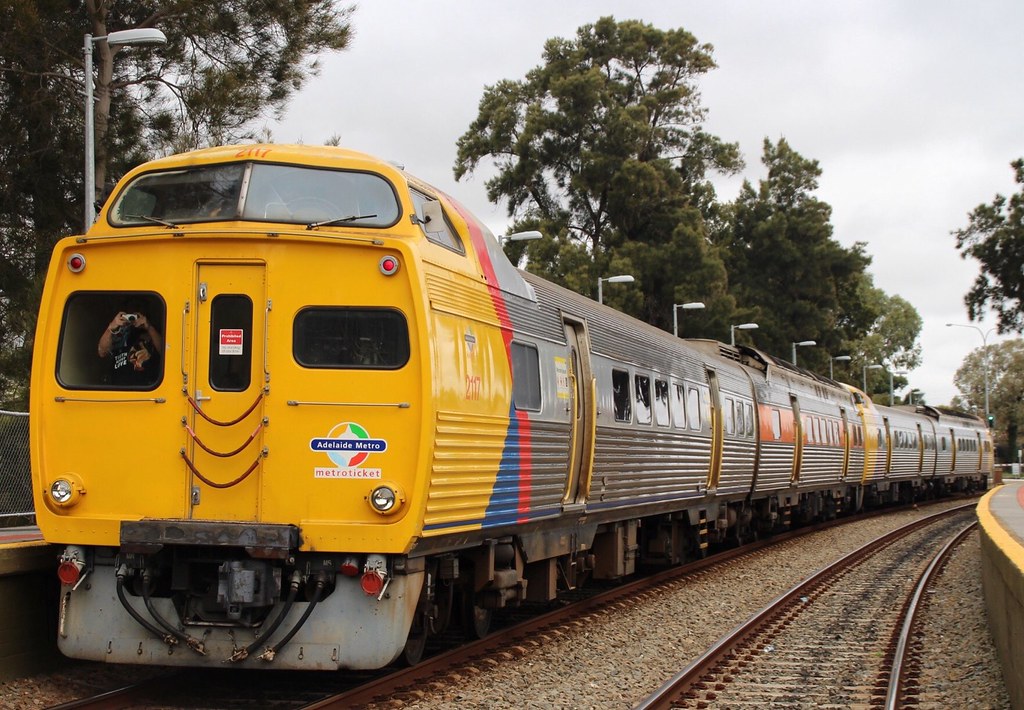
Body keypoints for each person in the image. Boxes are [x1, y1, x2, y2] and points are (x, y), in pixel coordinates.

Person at [98, 309, 163, 385]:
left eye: (136, 315)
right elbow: (102, 352)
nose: (132, 318)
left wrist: (148, 327)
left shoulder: (152, 334)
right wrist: (111, 327)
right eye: (128, 315)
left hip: (147, 390)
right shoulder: (118, 333)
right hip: (118, 389)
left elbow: (166, 353)